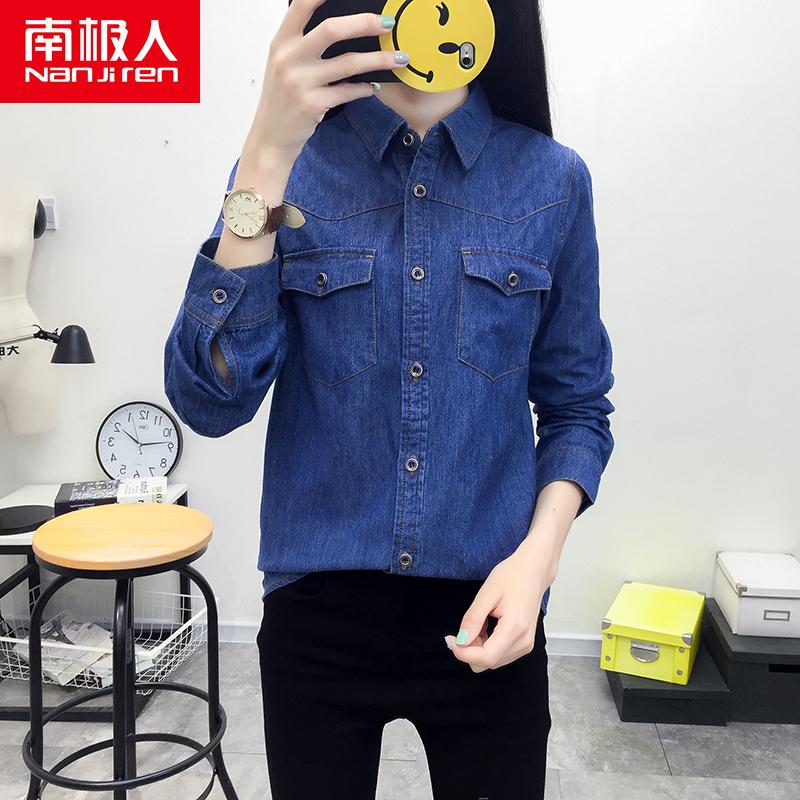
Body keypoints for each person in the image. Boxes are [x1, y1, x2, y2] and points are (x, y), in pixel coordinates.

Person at [163, 0, 616, 797]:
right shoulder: (289, 173)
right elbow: (211, 399)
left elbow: (576, 406)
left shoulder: (553, 179)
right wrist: (264, 152)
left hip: (492, 601)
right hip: (318, 612)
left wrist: (535, 566)